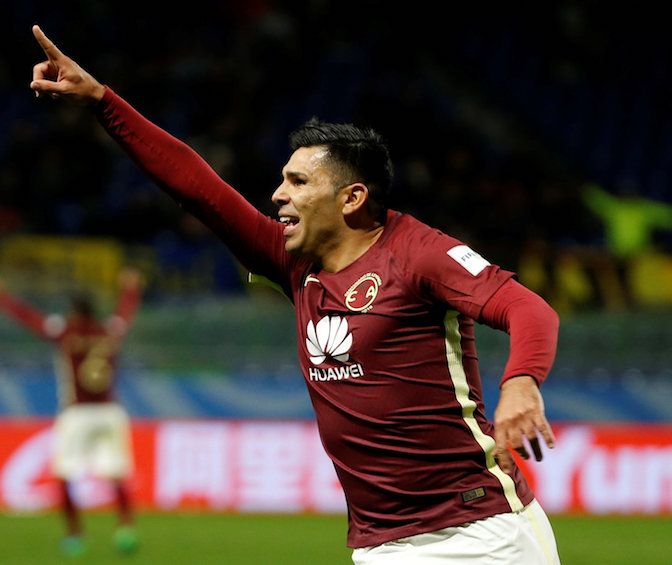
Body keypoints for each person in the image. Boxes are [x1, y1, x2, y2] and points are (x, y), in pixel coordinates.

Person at [28, 25, 562, 564]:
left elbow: (527, 307)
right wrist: (101, 100)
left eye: (299, 182)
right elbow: (197, 187)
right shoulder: (293, 262)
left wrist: (520, 383)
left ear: (352, 198)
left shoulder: (418, 253)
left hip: (481, 534)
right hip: (380, 545)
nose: (279, 194)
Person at [0, 266, 142, 557]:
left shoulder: (66, 331)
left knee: (66, 475)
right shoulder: (109, 330)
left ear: (75, 312)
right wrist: (131, 290)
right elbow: (125, 313)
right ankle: (126, 529)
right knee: (116, 474)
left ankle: (75, 536)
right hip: (109, 411)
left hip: (78, 413)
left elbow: (28, 318)